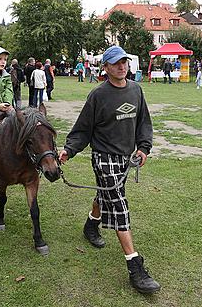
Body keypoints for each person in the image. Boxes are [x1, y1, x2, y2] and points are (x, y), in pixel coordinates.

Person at [59, 45, 160, 294]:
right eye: (115, 63)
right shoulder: (98, 95)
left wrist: (143, 148)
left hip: (126, 158)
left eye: (124, 61)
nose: (122, 66)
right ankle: (134, 266)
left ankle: (91, 225)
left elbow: (143, 122)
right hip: (104, 157)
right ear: (105, 67)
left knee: (105, 197)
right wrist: (69, 150)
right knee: (119, 205)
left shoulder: (136, 90)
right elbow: (83, 128)